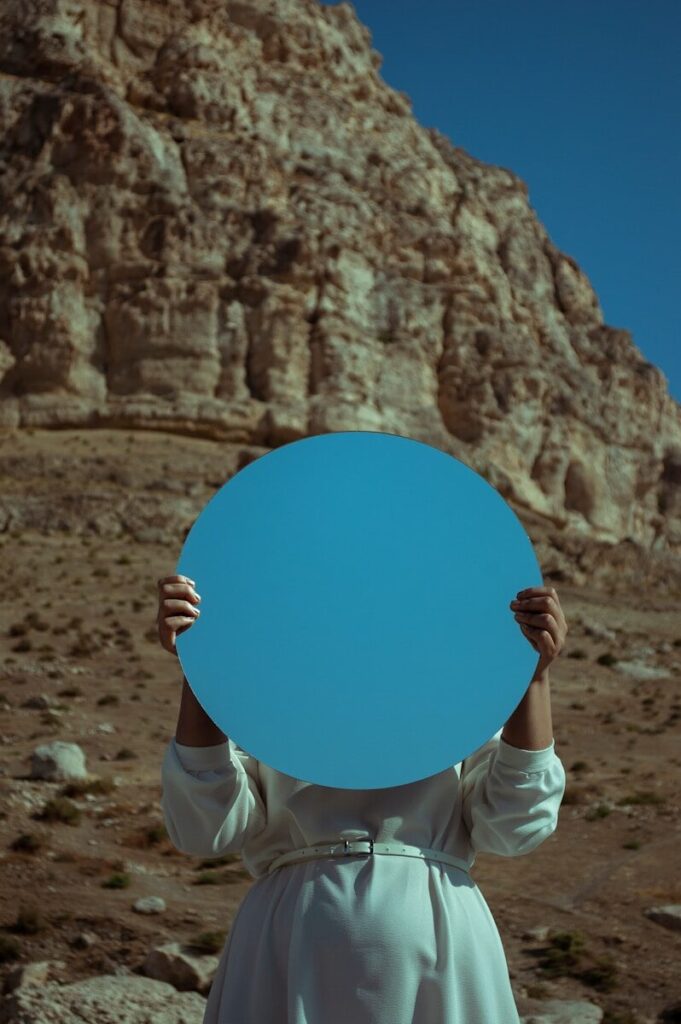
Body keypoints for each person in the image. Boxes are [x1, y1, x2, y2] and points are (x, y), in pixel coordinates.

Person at [158, 574, 567, 1024]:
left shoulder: (456, 692)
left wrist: (532, 678)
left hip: (433, 933)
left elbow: (514, 826)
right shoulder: (266, 688)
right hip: (290, 937)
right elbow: (206, 829)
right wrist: (202, 666)